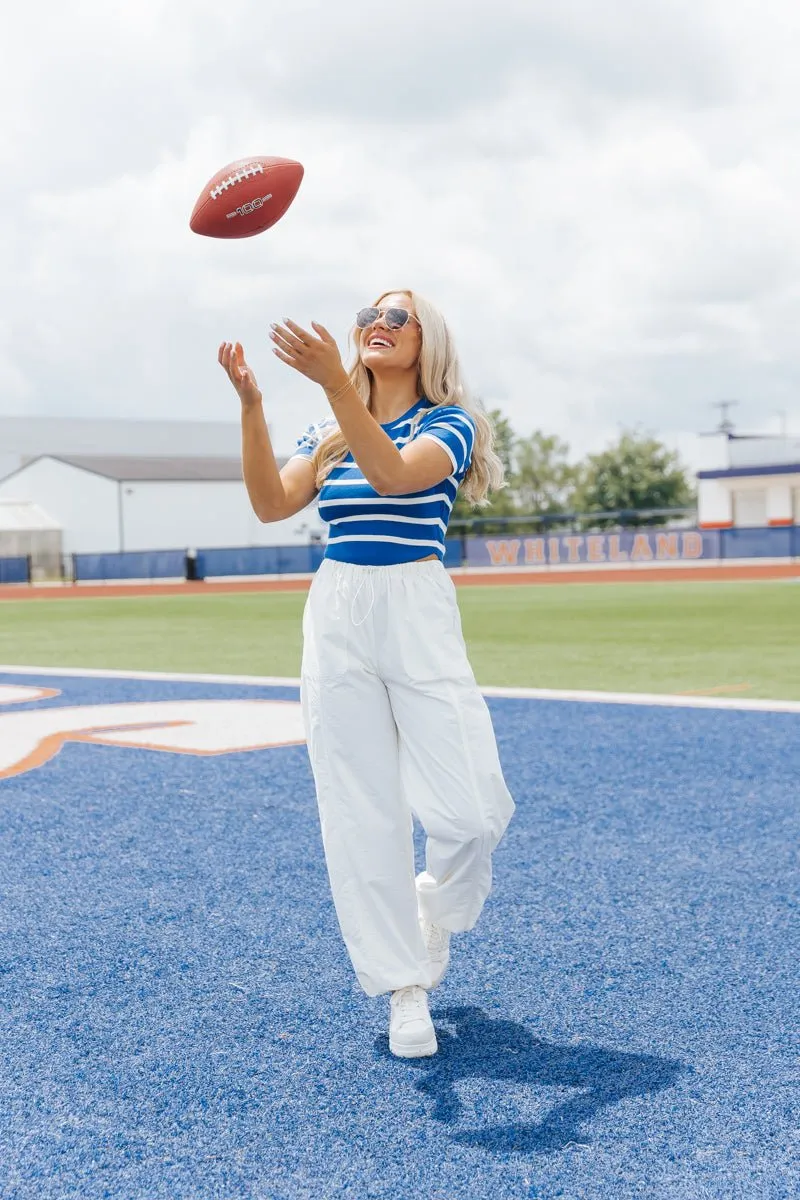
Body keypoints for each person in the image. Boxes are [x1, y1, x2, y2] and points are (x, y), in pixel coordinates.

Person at [218, 290, 515, 1058]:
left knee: (474, 813)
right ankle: (402, 986)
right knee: (361, 809)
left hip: (415, 606)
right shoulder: (328, 431)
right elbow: (268, 502)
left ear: (429, 342)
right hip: (339, 607)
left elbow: (392, 476)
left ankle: (433, 907)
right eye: (367, 318)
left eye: (396, 318)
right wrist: (253, 406)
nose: (375, 327)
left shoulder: (450, 424)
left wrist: (335, 385)